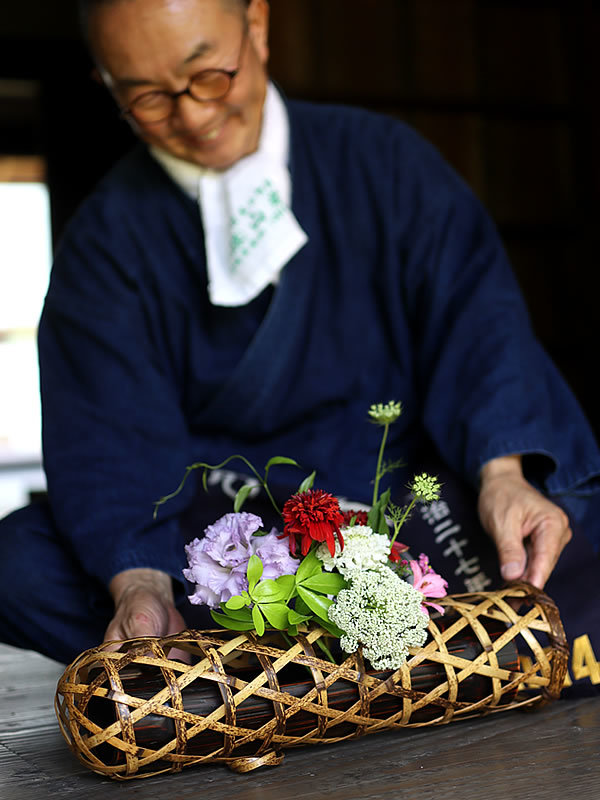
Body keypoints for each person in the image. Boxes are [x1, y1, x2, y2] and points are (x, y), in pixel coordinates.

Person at [0, 0, 598, 693]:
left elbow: (479, 322)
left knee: (557, 523)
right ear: (108, 85)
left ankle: (259, 686)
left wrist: (502, 475)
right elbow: (107, 442)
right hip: (226, 541)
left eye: (208, 77)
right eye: (146, 97)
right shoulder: (107, 243)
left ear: (256, 25)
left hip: (410, 509)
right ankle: (416, 666)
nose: (192, 116)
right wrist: (141, 582)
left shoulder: (382, 161)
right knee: (20, 561)